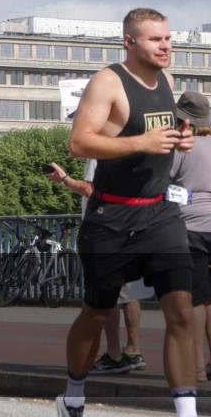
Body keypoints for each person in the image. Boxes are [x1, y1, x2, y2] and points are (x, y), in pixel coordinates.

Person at [58, 8, 197, 417]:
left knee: (182, 311)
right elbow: (79, 144)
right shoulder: (108, 82)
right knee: (97, 312)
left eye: (168, 38)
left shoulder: (168, 82)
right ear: (130, 42)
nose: (166, 46)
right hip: (111, 219)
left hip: (159, 214)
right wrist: (142, 143)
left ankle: (186, 412)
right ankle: (73, 394)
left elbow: (161, 135)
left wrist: (180, 139)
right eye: (155, 39)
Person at [46, 160, 150, 374]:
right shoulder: (132, 148)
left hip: (105, 228)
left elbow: (90, 189)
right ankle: (133, 350)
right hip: (131, 225)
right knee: (130, 292)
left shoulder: (99, 154)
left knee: (106, 292)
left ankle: (114, 354)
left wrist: (65, 179)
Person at [170, 91, 211, 383]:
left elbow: (168, 186)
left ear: (183, 119)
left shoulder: (181, 146)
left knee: (194, 299)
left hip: (194, 229)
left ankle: (195, 365)